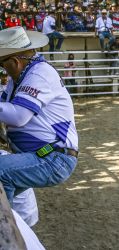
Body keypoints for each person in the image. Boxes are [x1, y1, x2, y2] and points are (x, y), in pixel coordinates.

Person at [0, 26, 78, 206]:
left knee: (1, 172)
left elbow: (18, 116)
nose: (3, 69)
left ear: (15, 61)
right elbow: (5, 107)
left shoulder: (39, 74)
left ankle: (7, 229)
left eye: (2, 63)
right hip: (46, 155)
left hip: (53, 158)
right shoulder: (25, 77)